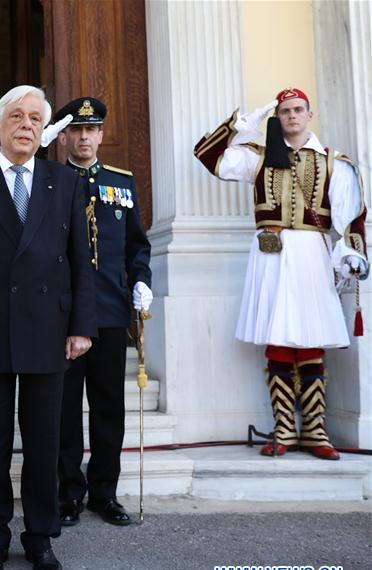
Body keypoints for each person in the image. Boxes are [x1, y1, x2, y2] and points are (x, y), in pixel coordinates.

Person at [0, 86, 97, 570]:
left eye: (34, 118)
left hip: (48, 328)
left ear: (43, 129)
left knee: (44, 445)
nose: (26, 125)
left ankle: (40, 539)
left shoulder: (65, 182)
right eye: (16, 116)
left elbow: (81, 261)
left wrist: (82, 325)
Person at [194, 87, 367, 460]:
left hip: (311, 254)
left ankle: (315, 430)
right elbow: (209, 156)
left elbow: (351, 215)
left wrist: (352, 254)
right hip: (269, 256)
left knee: (311, 338)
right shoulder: (258, 157)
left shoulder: (333, 162)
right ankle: (285, 428)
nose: (291, 116)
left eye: (298, 109)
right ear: (278, 117)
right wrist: (245, 125)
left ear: (309, 114)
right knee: (277, 337)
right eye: (285, 111)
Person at [46, 97, 152, 527]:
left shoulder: (120, 183)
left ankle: (105, 492)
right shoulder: (50, 181)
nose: (85, 137)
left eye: (91, 130)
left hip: (109, 309)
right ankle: (69, 492)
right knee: (65, 408)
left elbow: (136, 244)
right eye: (77, 130)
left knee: (109, 407)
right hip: (64, 314)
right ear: (64, 137)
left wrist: (142, 280)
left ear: (102, 134)